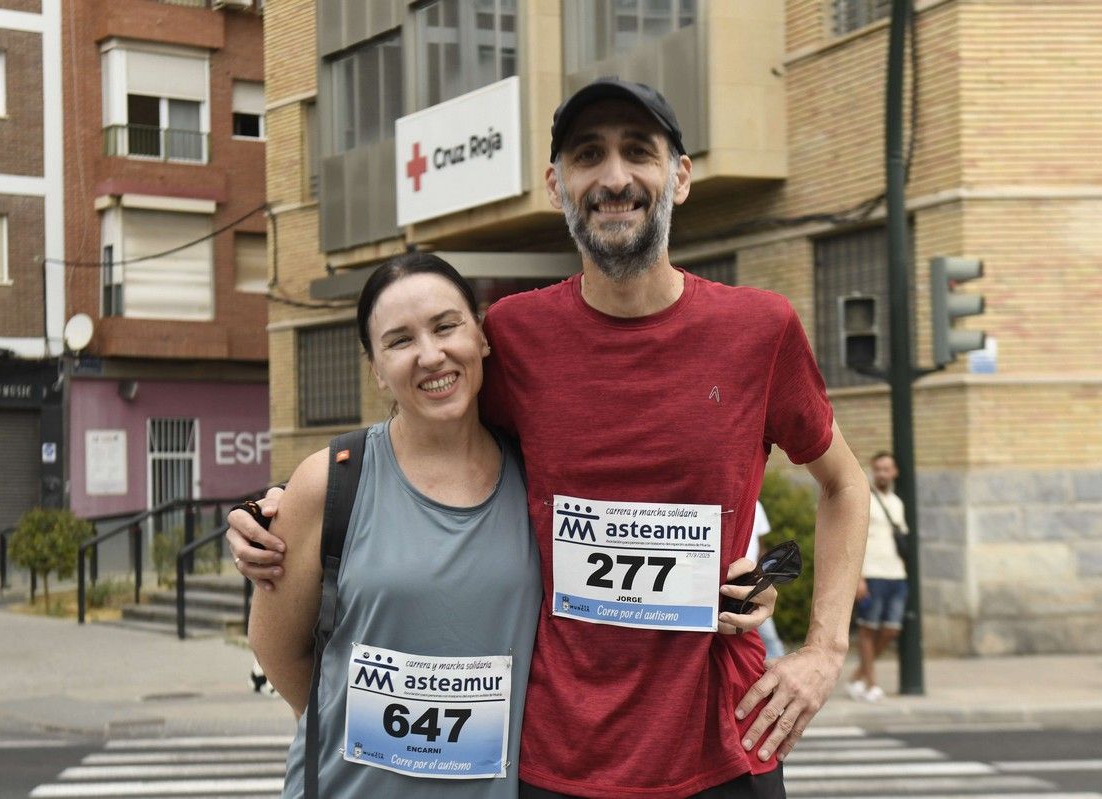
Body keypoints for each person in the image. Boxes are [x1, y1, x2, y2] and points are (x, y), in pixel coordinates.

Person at [232, 78, 868, 798]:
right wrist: (288, 509)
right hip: (556, 760)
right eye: (587, 155)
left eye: (639, 151)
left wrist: (823, 647)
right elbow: (430, 446)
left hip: (724, 746)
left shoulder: (759, 329)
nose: (614, 177)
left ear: (681, 176)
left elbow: (844, 485)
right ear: (555, 184)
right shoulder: (513, 335)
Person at [248, 253, 777, 798]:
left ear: (481, 336)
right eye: (400, 341)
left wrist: (735, 588)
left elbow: (627, 572)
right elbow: (277, 647)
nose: (430, 355)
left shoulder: (538, 479)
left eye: (446, 326)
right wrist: (342, 723)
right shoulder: (331, 481)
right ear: (376, 369)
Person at [846, 451, 909, 703]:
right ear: (873, 471)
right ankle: (871, 684)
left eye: (887, 469)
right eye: (878, 469)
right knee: (867, 630)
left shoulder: (897, 503)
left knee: (891, 629)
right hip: (871, 573)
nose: (882, 473)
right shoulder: (866, 500)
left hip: (896, 574)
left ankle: (857, 677)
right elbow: (854, 539)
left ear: (894, 472)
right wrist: (858, 577)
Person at [749, 501, 787, 662]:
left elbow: (761, 545)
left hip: (752, 580)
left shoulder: (756, 505)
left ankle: (778, 670)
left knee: (768, 636)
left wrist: (765, 576)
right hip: (726, 579)